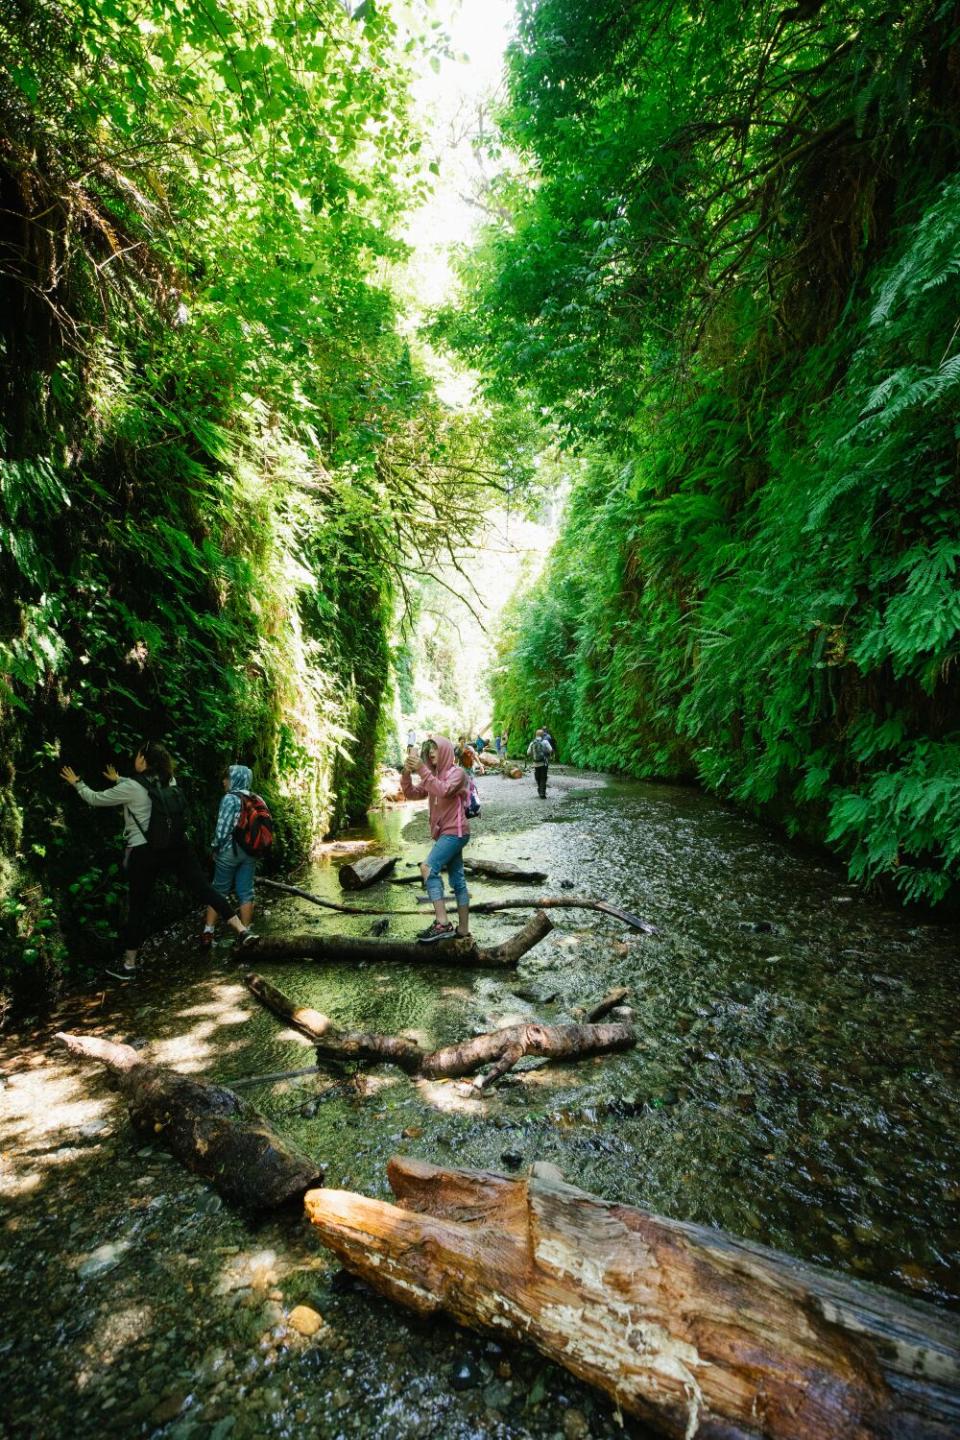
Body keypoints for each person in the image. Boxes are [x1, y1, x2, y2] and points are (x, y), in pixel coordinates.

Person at [61, 742, 256, 979]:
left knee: (138, 907)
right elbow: (146, 789)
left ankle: (129, 966)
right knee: (205, 890)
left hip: (145, 851)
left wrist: (77, 783)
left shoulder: (133, 786)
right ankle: (243, 931)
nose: (135, 759)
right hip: (177, 846)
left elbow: (95, 798)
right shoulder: (170, 781)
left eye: (137, 756)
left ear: (143, 761)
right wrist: (119, 779)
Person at [400, 736, 471, 944]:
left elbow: (444, 790)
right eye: (429, 749)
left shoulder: (457, 773)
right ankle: (463, 931)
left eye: (435, 749)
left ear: (446, 751)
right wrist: (406, 771)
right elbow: (411, 793)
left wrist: (422, 769)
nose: (431, 753)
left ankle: (442, 923)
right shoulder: (432, 776)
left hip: (456, 832)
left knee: (428, 868)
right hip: (446, 834)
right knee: (458, 880)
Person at [201, 764, 256, 950]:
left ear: (234, 779)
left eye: (227, 778)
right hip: (250, 852)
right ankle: (246, 933)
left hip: (230, 851)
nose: (224, 781)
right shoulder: (255, 798)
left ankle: (208, 933)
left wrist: (215, 848)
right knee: (246, 892)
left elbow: (222, 829)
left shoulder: (230, 799)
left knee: (218, 891)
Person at [526, 727, 554, 798]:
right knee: (543, 778)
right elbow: (551, 750)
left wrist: (534, 753)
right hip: (544, 763)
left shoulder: (532, 742)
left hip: (536, 763)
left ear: (536, 735)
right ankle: (542, 793)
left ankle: (539, 788)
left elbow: (528, 753)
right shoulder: (545, 742)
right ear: (542, 735)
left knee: (537, 777)